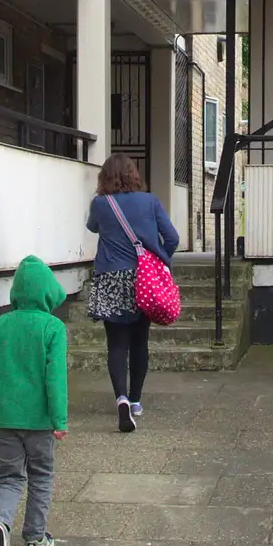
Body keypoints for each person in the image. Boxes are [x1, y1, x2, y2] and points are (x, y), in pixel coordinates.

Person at [0, 255, 68, 546]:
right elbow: (55, 378)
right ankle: (36, 539)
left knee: (9, 477)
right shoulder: (52, 327)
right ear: (48, 292)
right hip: (39, 423)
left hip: (5, 420)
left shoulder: (1, 325)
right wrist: (59, 419)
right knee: (40, 476)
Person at [85, 153, 179, 432]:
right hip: (143, 279)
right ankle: (136, 400)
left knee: (116, 344)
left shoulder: (101, 204)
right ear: (133, 175)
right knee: (140, 341)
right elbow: (172, 237)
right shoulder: (149, 201)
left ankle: (121, 399)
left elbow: (92, 227)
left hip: (111, 277)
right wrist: (160, 259)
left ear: (105, 177)